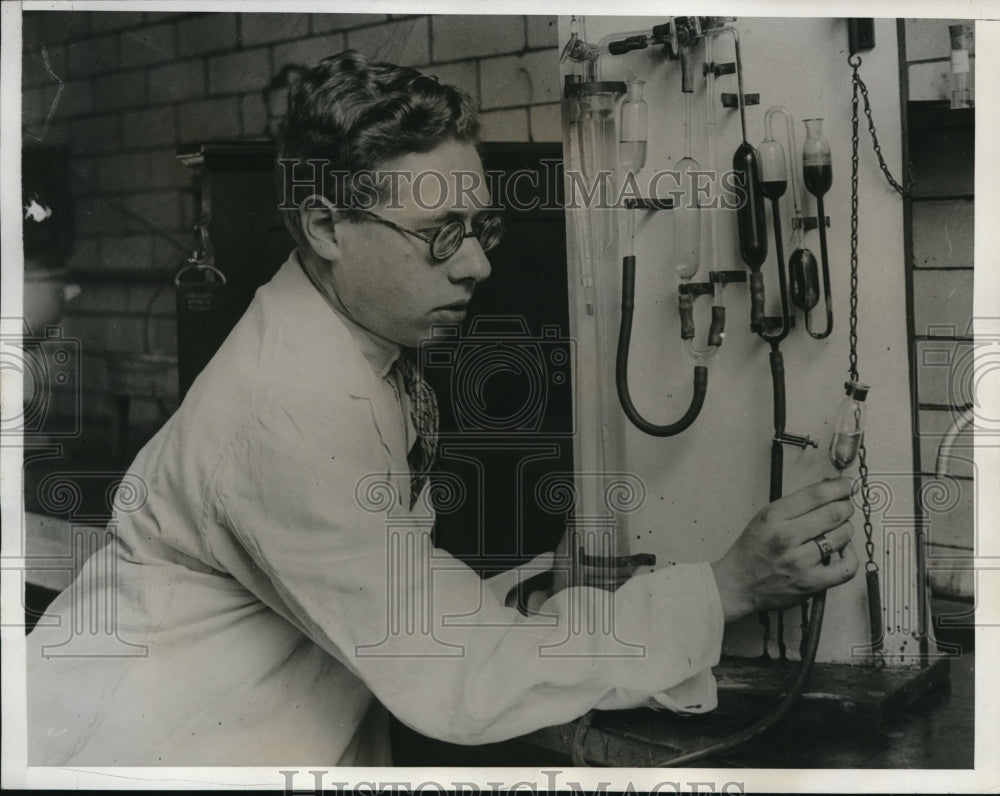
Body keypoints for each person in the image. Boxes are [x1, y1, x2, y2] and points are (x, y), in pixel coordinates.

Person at [26, 50, 859, 766]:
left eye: (481, 227)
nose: (476, 268)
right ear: (325, 225)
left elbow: (392, 590)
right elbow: (454, 670)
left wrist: (536, 597)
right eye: (438, 233)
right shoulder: (286, 410)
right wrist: (723, 589)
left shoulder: (361, 352)